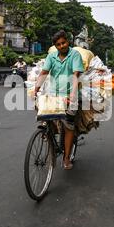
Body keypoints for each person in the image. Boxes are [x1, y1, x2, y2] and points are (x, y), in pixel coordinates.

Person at [35, 30, 84, 170]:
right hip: (53, 94)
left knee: (69, 127)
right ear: (55, 46)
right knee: (45, 117)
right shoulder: (51, 56)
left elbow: (76, 75)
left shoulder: (75, 55)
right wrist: (36, 89)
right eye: (58, 44)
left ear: (68, 41)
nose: (62, 46)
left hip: (70, 95)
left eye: (63, 43)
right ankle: (49, 135)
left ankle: (66, 158)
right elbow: (44, 72)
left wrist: (73, 95)